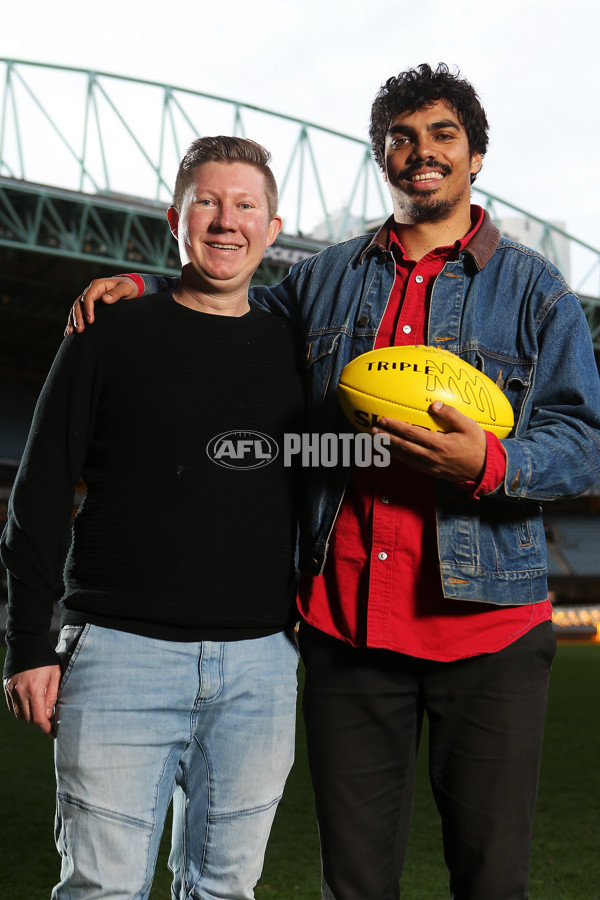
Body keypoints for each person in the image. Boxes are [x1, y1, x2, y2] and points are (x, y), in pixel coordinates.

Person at [66, 64, 600, 900]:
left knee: (492, 882)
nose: (420, 153)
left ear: (477, 156)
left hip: (486, 633)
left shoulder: (535, 291)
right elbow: (225, 306)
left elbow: (582, 441)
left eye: (442, 135)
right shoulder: (324, 278)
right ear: (382, 159)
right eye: (401, 139)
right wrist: (142, 287)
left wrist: (492, 464)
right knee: (352, 886)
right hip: (349, 635)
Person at [1, 136, 306, 900]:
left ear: (274, 230)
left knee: (225, 889)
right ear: (176, 217)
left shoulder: (301, 349)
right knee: (101, 889)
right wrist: (26, 645)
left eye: (246, 205)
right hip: (118, 659)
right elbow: (39, 490)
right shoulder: (108, 331)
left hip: (261, 669)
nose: (225, 220)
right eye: (207, 201)